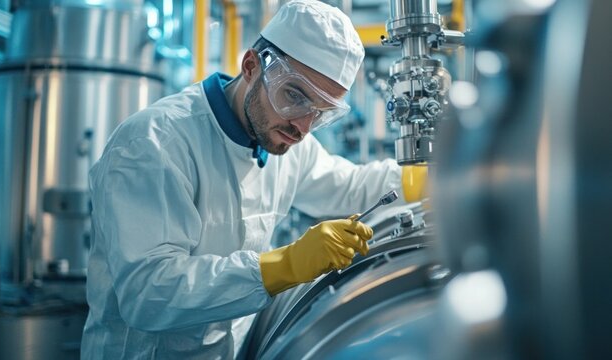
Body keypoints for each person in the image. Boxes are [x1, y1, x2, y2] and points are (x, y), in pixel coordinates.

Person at [81, 0, 404, 358]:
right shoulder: (156, 143)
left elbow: (346, 185)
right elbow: (148, 294)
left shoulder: (285, 139)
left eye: (321, 112)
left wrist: (422, 180)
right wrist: (284, 265)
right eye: (294, 96)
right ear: (251, 66)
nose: (303, 126)